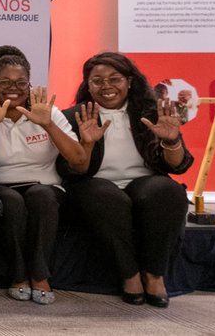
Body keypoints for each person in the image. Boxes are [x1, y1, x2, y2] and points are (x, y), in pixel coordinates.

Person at [60, 52, 190, 308]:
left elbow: (178, 166)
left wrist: (171, 140)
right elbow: (72, 170)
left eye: (115, 78)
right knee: (105, 196)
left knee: (169, 191)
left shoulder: (151, 112)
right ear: (88, 85)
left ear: (130, 81)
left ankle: (154, 275)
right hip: (93, 184)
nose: (106, 86)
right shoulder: (73, 116)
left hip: (143, 183)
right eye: (97, 80)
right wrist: (86, 142)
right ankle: (130, 275)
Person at [0, 45, 85, 305]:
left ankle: (39, 274)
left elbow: (79, 161)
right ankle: (18, 275)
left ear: (30, 84)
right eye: (5, 81)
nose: (13, 87)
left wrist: (46, 124)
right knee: (11, 202)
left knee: (41, 196)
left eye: (21, 82)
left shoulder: (48, 112)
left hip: (44, 184)